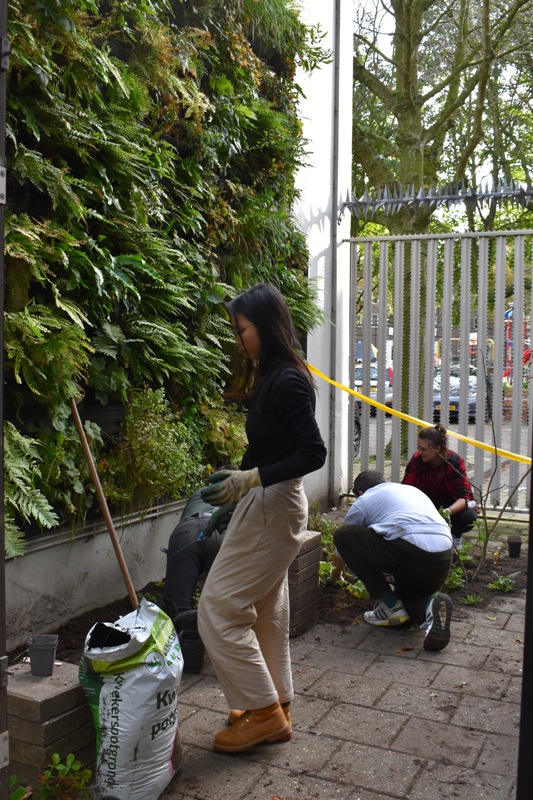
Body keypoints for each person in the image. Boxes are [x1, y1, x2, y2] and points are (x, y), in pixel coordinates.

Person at [196, 283, 327, 754]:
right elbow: (269, 446)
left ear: (266, 327)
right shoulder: (275, 375)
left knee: (218, 608)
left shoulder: (288, 380)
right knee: (268, 611)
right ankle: (275, 705)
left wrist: (252, 480)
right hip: (267, 502)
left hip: (274, 505)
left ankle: (263, 712)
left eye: (242, 329)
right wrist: (236, 482)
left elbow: (313, 453)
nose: (238, 339)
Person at [332, 471, 453, 651]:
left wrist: (335, 575)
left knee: (342, 535)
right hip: (442, 555)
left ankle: (390, 606)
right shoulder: (411, 491)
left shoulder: (364, 500)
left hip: (408, 549)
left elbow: (344, 548)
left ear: (359, 493)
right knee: (410, 598)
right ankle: (430, 610)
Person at [159, 488, 234, 673]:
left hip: (186, 532)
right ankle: (213, 625)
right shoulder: (243, 492)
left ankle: (184, 637)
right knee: (223, 601)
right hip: (222, 535)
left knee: (176, 606)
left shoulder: (200, 492)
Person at [402, 423, 478, 548]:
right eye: (418, 448)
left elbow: (465, 497)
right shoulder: (417, 459)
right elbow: (406, 489)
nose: (419, 452)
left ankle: (455, 536)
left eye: (423, 449)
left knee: (468, 516)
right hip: (426, 504)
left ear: (437, 449)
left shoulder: (454, 461)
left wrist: (447, 512)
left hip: (450, 506)